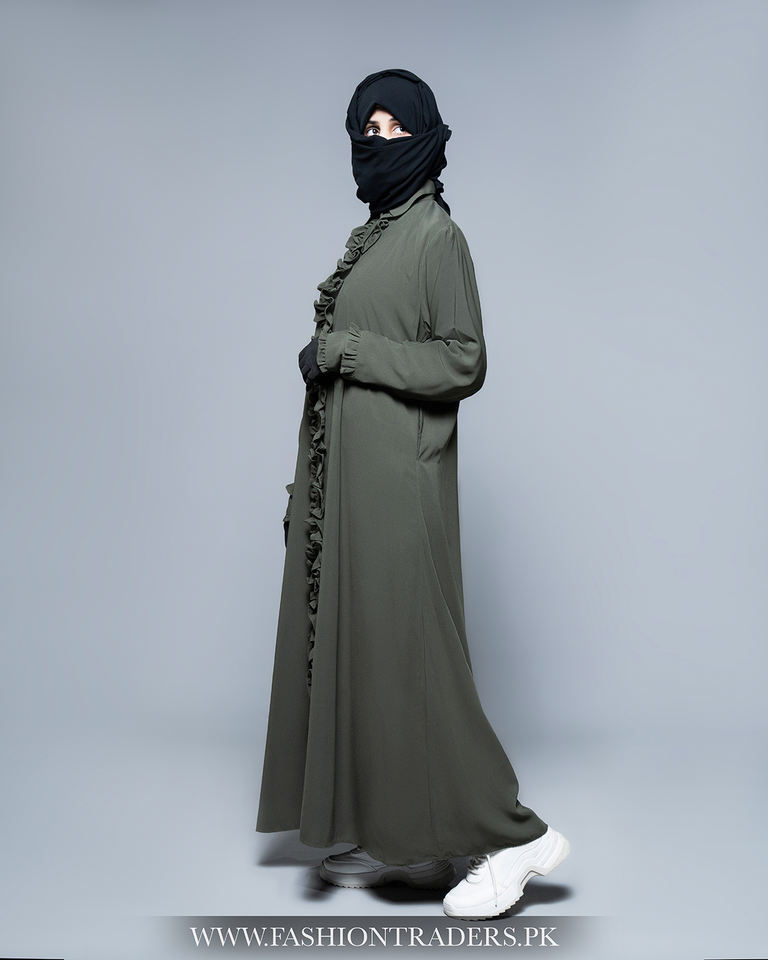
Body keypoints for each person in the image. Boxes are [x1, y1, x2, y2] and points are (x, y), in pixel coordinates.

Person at [256, 67, 570, 920]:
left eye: (396, 128)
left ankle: (517, 838)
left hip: (399, 484)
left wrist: (347, 350)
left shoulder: (436, 236)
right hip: (352, 485)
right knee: (371, 659)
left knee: (415, 660)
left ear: (426, 137)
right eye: (369, 128)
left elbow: (463, 359)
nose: (380, 141)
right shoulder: (376, 235)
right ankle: (405, 833)